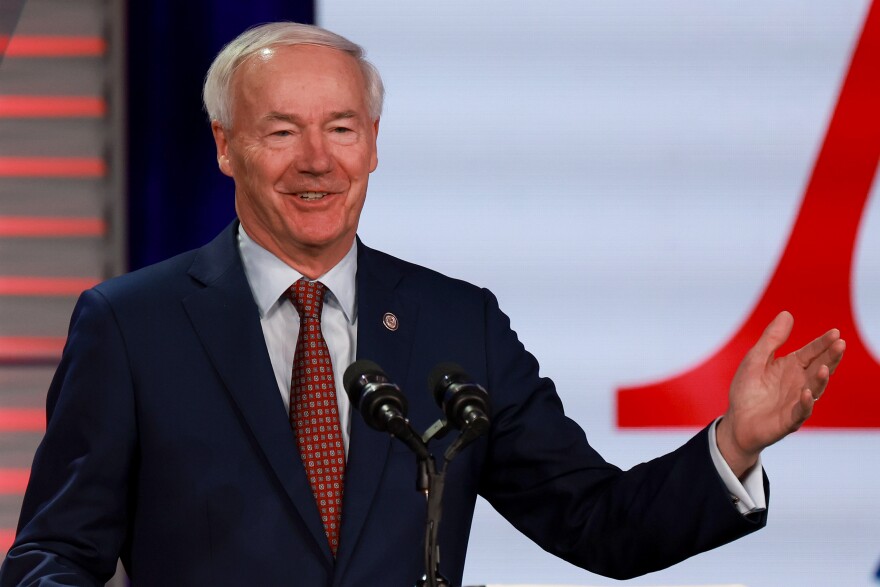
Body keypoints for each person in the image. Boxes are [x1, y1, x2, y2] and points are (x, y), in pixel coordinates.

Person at [0, 22, 844, 587]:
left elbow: (598, 522)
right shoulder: (132, 323)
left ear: (372, 143)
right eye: (282, 130)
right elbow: (54, 553)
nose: (317, 161)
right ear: (227, 146)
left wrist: (733, 444)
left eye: (341, 127)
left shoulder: (457, 322)